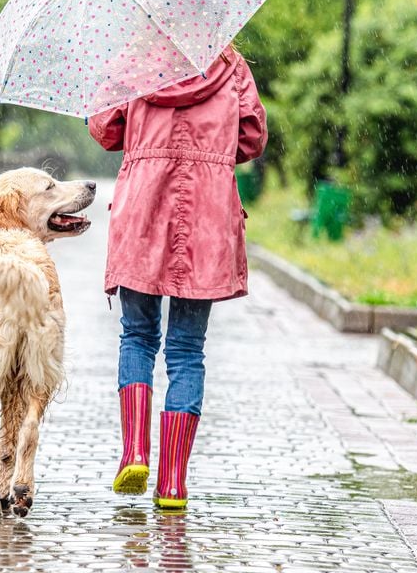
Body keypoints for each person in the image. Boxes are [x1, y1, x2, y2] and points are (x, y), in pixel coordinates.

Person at [87, 45, 267, 509]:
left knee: (138, 336)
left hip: (143, 208)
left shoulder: (131, 60)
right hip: (206, 215)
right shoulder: (231, 65)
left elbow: (106, 130)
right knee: (187, 350)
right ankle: (172, 484)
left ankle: (134, 452)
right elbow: (251, 140)